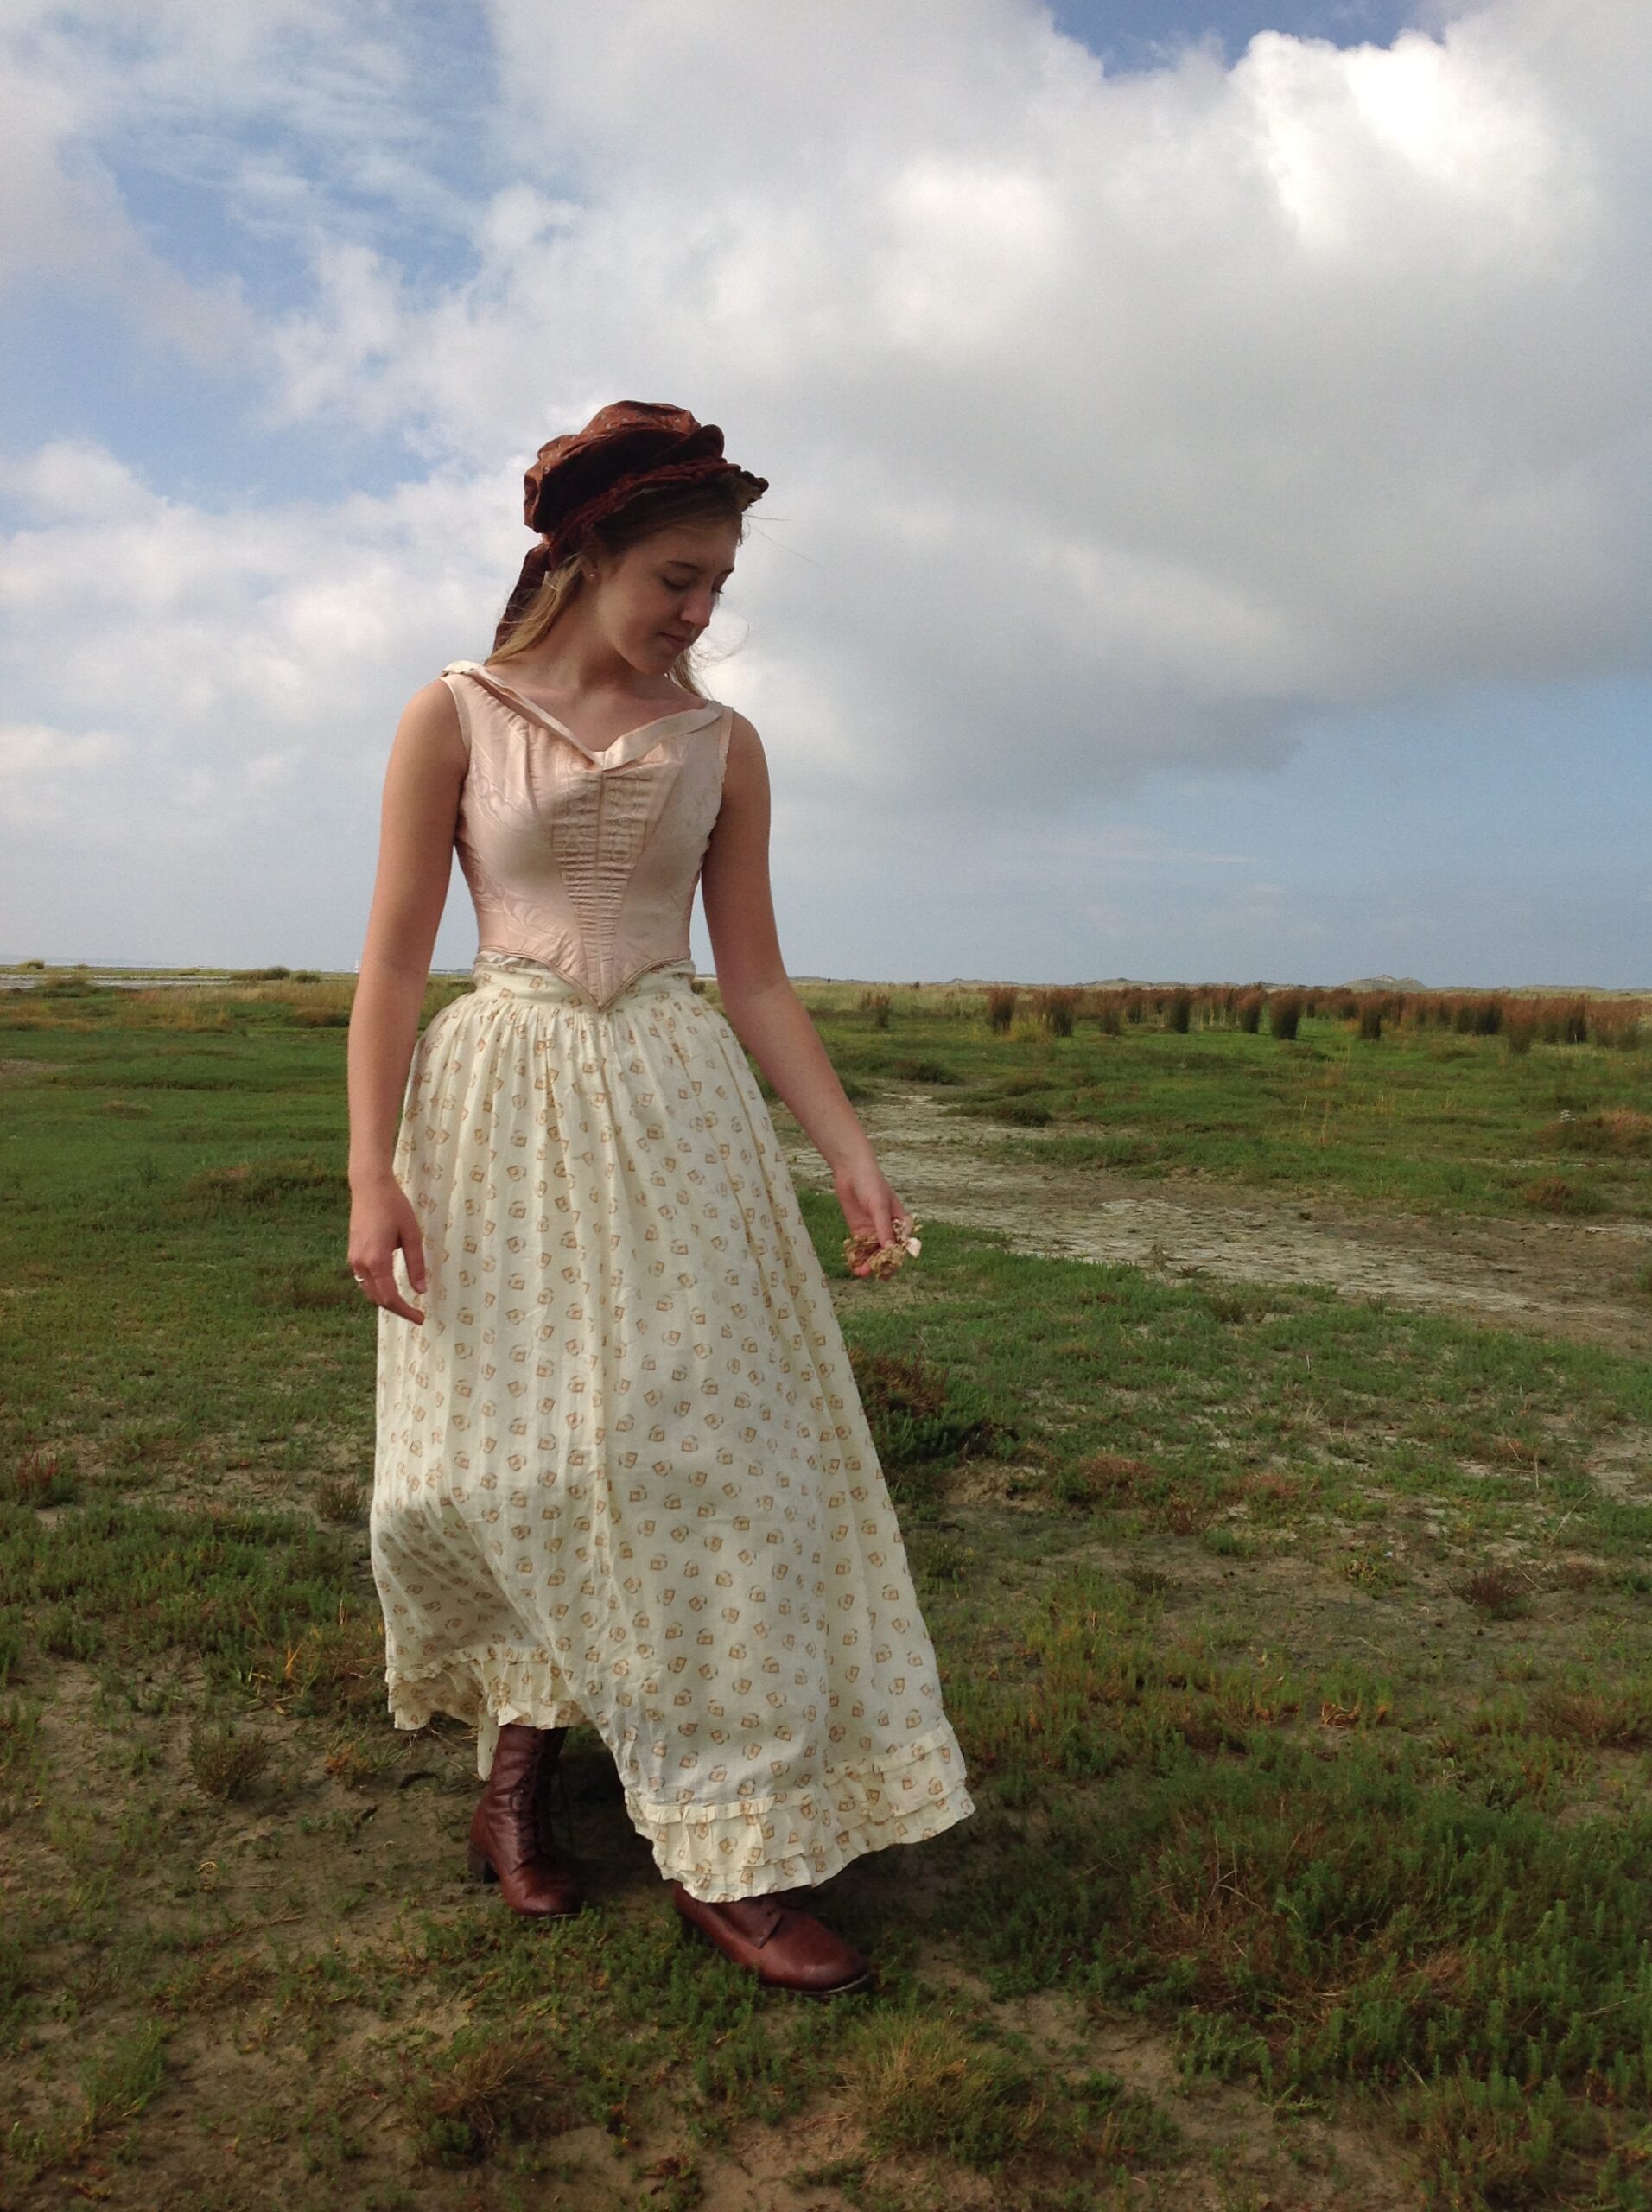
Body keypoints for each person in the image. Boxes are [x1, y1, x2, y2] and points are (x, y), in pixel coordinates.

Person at [346, 401, 974, 1998]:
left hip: (675, 1106)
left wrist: (847, 1147)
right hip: (497, 1108)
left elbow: (751, 973)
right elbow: (393, 961)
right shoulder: (455, 713)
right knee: (522, 1455)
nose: (700, 613)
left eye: (717, 585)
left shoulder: (721, 744)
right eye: (678, 578)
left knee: (699, 1454)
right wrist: (370, 1171)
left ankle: (735, 1838)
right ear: (589, 554)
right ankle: (516, 1783)